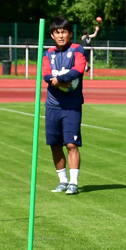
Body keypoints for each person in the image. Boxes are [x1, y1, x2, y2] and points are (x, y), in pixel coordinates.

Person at [42, 16, 87, 195]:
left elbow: (78, 69)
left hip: (72, 106)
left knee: (71, 144)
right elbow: (45, 74)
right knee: (54, 144)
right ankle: (62, 181)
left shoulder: (77, 49)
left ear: (70, 34)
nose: (61, 35)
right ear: (52, 35)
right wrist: (55, 81)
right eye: (57, 32)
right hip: (52, 106)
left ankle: (73, 183)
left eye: (64, 32)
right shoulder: (48, 53)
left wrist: (60, 79)